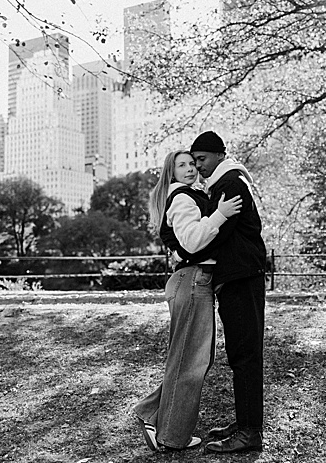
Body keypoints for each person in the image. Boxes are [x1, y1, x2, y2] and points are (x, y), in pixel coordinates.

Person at [134, 151, 242, 452]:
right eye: (181, 165)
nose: (190, 169)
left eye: (192, 164)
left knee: (191, 358)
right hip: (193, 280)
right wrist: (221, 214)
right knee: (191, 361)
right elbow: (192, 241)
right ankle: (172, 436)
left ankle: (151, 413)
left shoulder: (189, 195)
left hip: (193, 281)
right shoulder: (181, 197)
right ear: (171, 172)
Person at [189, 131, 268, 453]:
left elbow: (217, 235)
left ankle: (250, 432)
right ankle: (246, 423)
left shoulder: (229, 184)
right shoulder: (225, 182)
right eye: (195, 161)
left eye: (202, 159)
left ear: (220, 155)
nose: (198, 166)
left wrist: (186, 250)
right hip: (240, 277)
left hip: (241, 278)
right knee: (241, 353)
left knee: (244, 355)